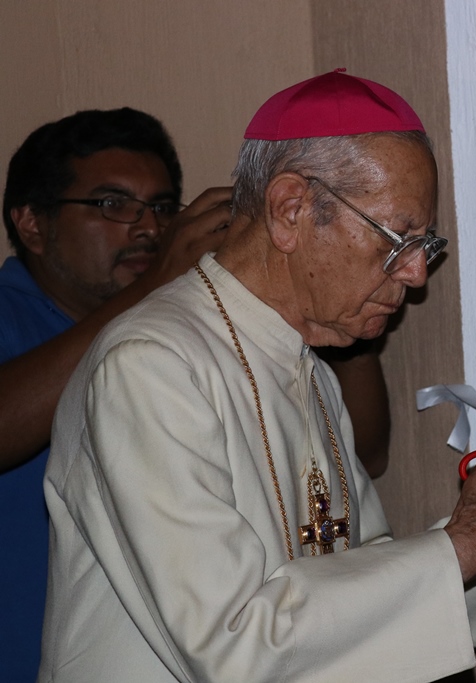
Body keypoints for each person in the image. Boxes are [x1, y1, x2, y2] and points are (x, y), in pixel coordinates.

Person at [39, 70, 476, 682]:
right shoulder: (150, 366)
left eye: (425, 246)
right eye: (398, 238)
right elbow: (231, 648)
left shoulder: (308, 367)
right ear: (290, 210)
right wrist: (463, 547)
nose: (416, 274)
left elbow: (366, 606)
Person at [0, 107, 388, 682]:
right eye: (112, 205)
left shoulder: (198, 335)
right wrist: (156, 287)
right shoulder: (78, 332)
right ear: (31, 222)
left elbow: (365, 457)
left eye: (162, 206)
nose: (148, 228)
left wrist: (335, 305)